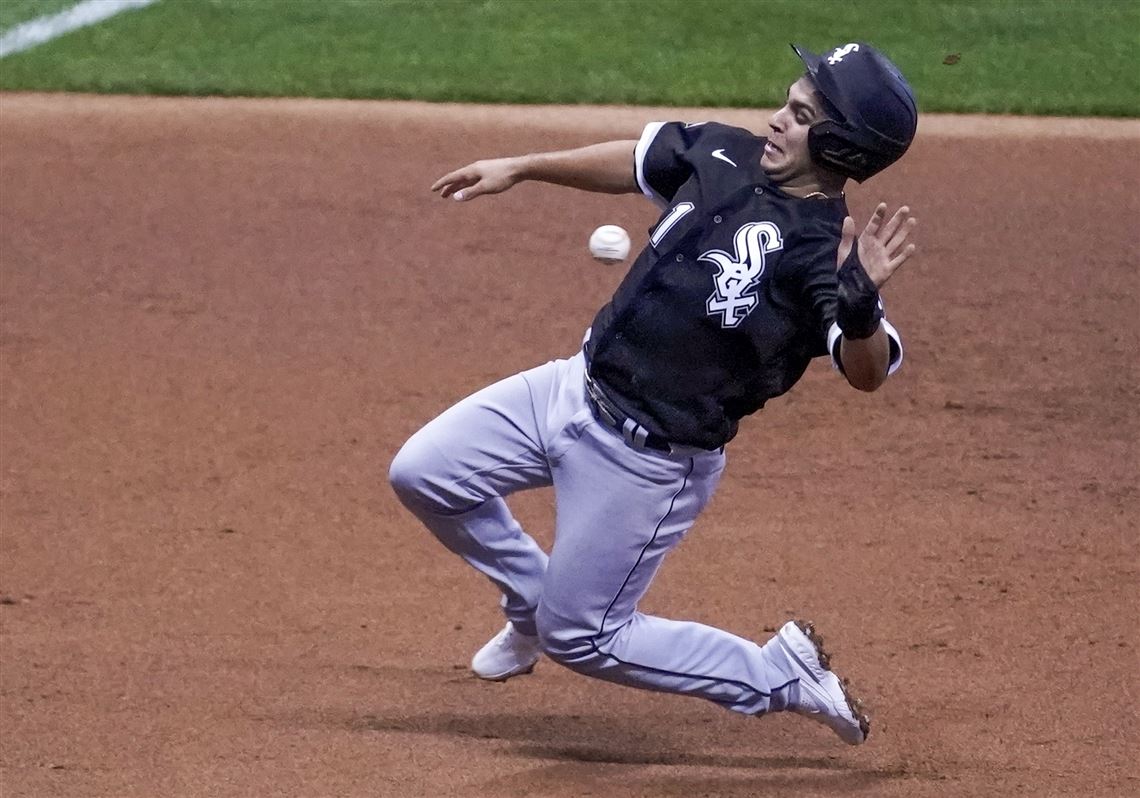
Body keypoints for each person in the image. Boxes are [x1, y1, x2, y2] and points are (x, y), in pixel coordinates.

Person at [389, 42, 919, 746]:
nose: (774, 120)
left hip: (648, 464)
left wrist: (860, 309)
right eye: (786, 103)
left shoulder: (824, 253)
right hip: (569, 388)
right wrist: (523, 167)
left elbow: (868, 371)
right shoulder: (726, 154)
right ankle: (527, 599)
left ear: (840, 143)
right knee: (424, 474)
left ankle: (775, 676)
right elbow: (638, 160)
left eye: (798, 114)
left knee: (580, 637)